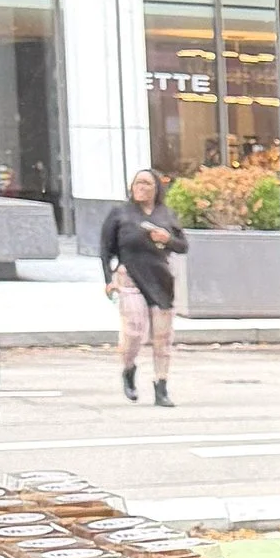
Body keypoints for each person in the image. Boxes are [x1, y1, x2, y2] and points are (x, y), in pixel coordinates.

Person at [98, 169, 188, 405]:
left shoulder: (166, 214)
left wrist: (166, 239)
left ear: (157, 188)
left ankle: (161, 386)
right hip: (130, 277)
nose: (141, 187)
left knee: (163, 338)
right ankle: (128, 368)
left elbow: (182, 245)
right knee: (134, 330)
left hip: (160, 279)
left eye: (147, 183)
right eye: (138, 183)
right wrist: (109, 279)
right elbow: (105, 249)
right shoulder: (121, 214)